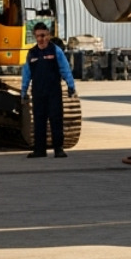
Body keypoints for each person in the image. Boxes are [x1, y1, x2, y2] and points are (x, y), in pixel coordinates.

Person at [22, 23, 76, 158]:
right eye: (38, 36)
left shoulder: (56, 51)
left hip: (53, 92)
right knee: (39, 121)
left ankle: (58, 149)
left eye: (44, 35)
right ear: (35, 36)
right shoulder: (32, 53)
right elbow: (26, 73)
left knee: (56, 119)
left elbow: (65, 68)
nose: (41, 39)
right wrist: (23, 92)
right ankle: (39, 150)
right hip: (38, 92)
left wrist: (70, 86)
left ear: (49, 35)